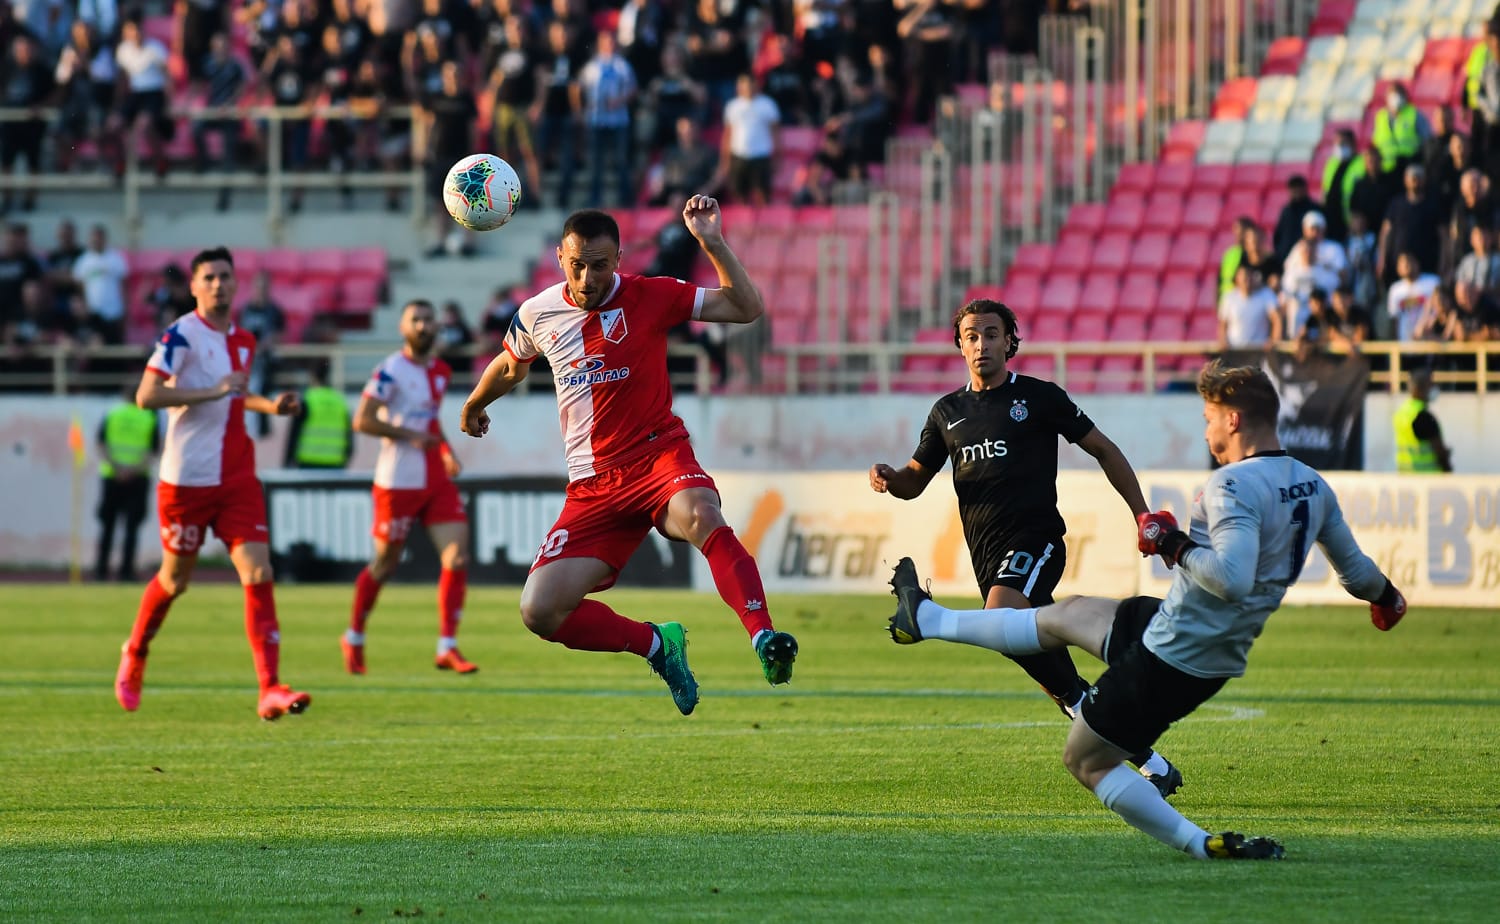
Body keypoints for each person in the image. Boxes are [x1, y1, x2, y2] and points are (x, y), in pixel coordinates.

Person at [884, 360, 1410, 860]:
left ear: (1233, 420)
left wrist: (1171, 542)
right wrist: (1387, 598)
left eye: (1209, 419)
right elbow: (1358, 573)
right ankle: (926, 618)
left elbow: (1232, 579)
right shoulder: (1312, 484)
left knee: (1084, 760)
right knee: (1067, 615)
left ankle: (1199, 843)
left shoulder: (1230, 484)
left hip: (1177, 654)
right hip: (1187, 627)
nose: (1207, 431)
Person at [459, 199, 799, 715]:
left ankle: (763, 636)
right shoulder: (536, 313)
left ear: (618, 260)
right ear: (559, 258)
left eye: (599, 265)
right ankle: (658, 645)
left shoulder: (652, 295)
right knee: (540, 610)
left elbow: (744, 307)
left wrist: (711, 243)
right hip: (593, 485)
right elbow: (511, 365)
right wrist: (474, 404)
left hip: (659, 457)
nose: (587, 278)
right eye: (577, 265)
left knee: (702, 516)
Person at [868, 298, 1182, 798]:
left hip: (1037, 542)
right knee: (1050, 672)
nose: (981, 345)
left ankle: (927, 618)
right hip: (987, 558)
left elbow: (1104, 449)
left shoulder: (1039, 398)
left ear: (1010, 342)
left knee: (1000, 619)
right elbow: (914, 481)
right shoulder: (947, 413)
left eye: (991, 335)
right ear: (959, 346)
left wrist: (1143, 515)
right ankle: (1145, 755)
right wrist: (890, 477)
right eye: (971, 336)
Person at [114, 247, 312, 721]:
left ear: (236, 283)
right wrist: (212, 390)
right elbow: (147, 395)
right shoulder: (180, 335)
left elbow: (236, 396)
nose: (219, 284)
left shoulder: (244, 339)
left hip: (236, 477)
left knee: (259, 573)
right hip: (186, 480)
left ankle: (269, 687)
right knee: (174, 580)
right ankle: (135, 650)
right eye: (209, 277)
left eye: (225, 276)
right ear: (194, 286)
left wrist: (271, 406)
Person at [344, 299, 476, 675]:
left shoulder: (440, 371)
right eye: (415, 320)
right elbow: (363, 420)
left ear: (436, 327)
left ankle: (447, 646)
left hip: (434, 477)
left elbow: (430, 420)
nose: (422, 325)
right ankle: (354, 635)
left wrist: (446, 451)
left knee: (457, 557)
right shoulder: (390, 371)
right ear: (402, 328)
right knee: (385, 564)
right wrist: (408, 435)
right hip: (398, 480)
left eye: (428, 319)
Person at [95, 381, 160, 582]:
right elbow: (153, 450)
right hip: (137, 478)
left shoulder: (112, 414)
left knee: (107, 526)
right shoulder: (149, 417)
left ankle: (101, 572)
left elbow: (101, 444)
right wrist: (132, 470)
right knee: (132, 528)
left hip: (111, 476)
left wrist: (117, 468)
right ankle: (126, 572)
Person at [284, 359, 352, 469]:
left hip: (308, 462)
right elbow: (349, 437)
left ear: (312, 376)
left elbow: (294, 435)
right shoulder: (340, 401)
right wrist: (346, 459)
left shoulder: (307, 400)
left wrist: (287, 463)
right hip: (335, 463)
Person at [1393, 368, 1453, 472]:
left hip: (1405, 475)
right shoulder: (1424, 417)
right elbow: (1439, 451)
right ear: (1419, 389)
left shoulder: (1402, 412)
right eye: (1431, 385)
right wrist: (1448, 469)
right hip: (1427, 477)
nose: (1434, 388)